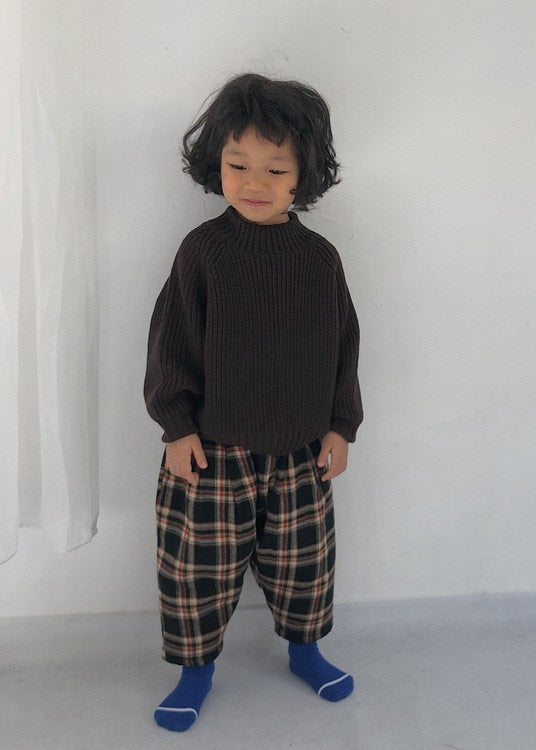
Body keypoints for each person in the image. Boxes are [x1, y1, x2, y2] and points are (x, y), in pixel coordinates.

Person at [144, 73, 363, 732]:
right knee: (197, 570)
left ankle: (305, 651)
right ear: (217, 164)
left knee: (305, 564)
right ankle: (195, 671)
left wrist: (340, 425)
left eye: (276, 168)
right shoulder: (204, 252)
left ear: (304, 176)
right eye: (238, 165)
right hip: (211, 453)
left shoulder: (319, 259)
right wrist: (176, 425)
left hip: (301, 452)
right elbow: (172, 340)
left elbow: (344, 344)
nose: (255, 182)